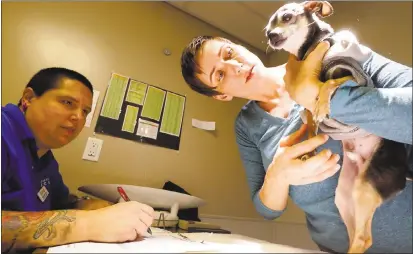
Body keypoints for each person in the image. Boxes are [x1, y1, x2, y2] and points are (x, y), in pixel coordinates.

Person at [180, 36, 412, 253]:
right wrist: (278, 175)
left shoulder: (326, 56)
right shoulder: (246, 126)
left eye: (228, 53)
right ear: (221, 96)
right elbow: (266, 210)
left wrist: (317, 96)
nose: (235, 67)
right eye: (219, 75)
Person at [1, 67, 154, 253]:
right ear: (29, 98)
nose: (78, 117)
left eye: (85, 111)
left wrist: (101, 208)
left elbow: (62, 202)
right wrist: (90, 224)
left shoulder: (46, 158)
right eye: (67, 102)